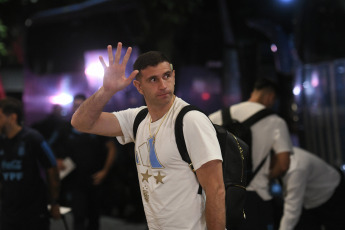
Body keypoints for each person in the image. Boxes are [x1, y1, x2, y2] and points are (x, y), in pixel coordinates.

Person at [71, 42, 225, 229]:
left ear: (173, 76)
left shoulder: (191, 120)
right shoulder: (138, 118)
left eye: (166, 76)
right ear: (138, 86)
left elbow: (216, 190)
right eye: (153, 80)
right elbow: (81, 123)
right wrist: (107, 91)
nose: (163, 85)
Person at [209, 77, 292, 230]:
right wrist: (266, 176)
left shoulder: (216, 116)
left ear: (253, 92)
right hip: (255, 197)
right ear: (270, 97)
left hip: (217, 196)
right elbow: (283, 164)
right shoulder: (276, 122)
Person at [53, 93, 116, 230]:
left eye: (81, 105)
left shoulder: (97, 125)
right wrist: (57, 160)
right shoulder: (65, 128)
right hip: (75, 180)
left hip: (95, 179)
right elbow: (49, 147)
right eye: (75, 106)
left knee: (94, 217)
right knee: (78, 216)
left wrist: (105, 171)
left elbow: (112, 148)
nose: (78, 108)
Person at [0, 97, 61, 230]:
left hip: (33, 212)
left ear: (12, 117)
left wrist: (54, 203)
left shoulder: (33, 138)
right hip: (8, 213)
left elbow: (52, 169)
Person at [277, 146, 345, 230]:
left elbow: (292, 209)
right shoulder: (283, 157)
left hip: (331, 191)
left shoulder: (296, 167)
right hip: (309, 201)